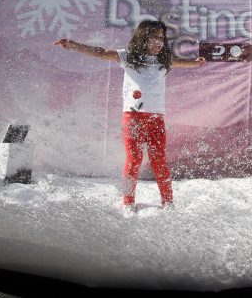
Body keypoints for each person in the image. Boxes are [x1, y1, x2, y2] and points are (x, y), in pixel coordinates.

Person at [56, 20, 205, 212]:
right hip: (133, 118)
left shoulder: (163, 61)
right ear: (143, 38)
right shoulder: (128, 57)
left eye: (161, 38)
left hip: (156, 118)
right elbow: (101, 52)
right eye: (154, 37)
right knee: (133, 160)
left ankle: (168, 201)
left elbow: (182, 63)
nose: (159, 42)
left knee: (159, 160)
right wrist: (74, 45)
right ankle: (127, 200)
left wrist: (196, 63)